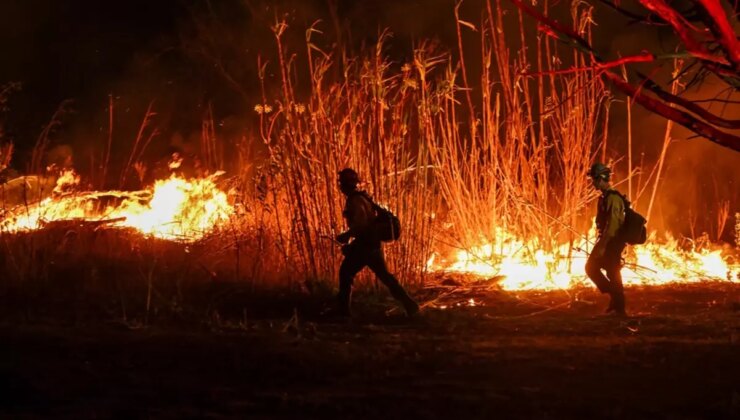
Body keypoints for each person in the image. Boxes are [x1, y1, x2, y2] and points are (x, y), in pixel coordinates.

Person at [331, 168, 419, 317]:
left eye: (342, 183)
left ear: (345, 185)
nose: (340, 186)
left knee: (346, 273)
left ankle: (343, 312)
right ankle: (410, 305)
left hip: (365, 245)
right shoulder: (362, 197)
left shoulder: (355, 200)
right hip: (372, 244)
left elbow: (362, 225)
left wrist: (347, 236)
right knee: (385, 276)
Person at [585, 162, 628, 316]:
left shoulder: (613, 198)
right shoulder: (604, 198)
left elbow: (613, 226)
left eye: (595, 179)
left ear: (602, 178)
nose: (593, 182)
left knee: (603, 270)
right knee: (607, 272)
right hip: (607, 240)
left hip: (613, 242)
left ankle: (619, 305)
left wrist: (603, 246)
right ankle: (616, 302)